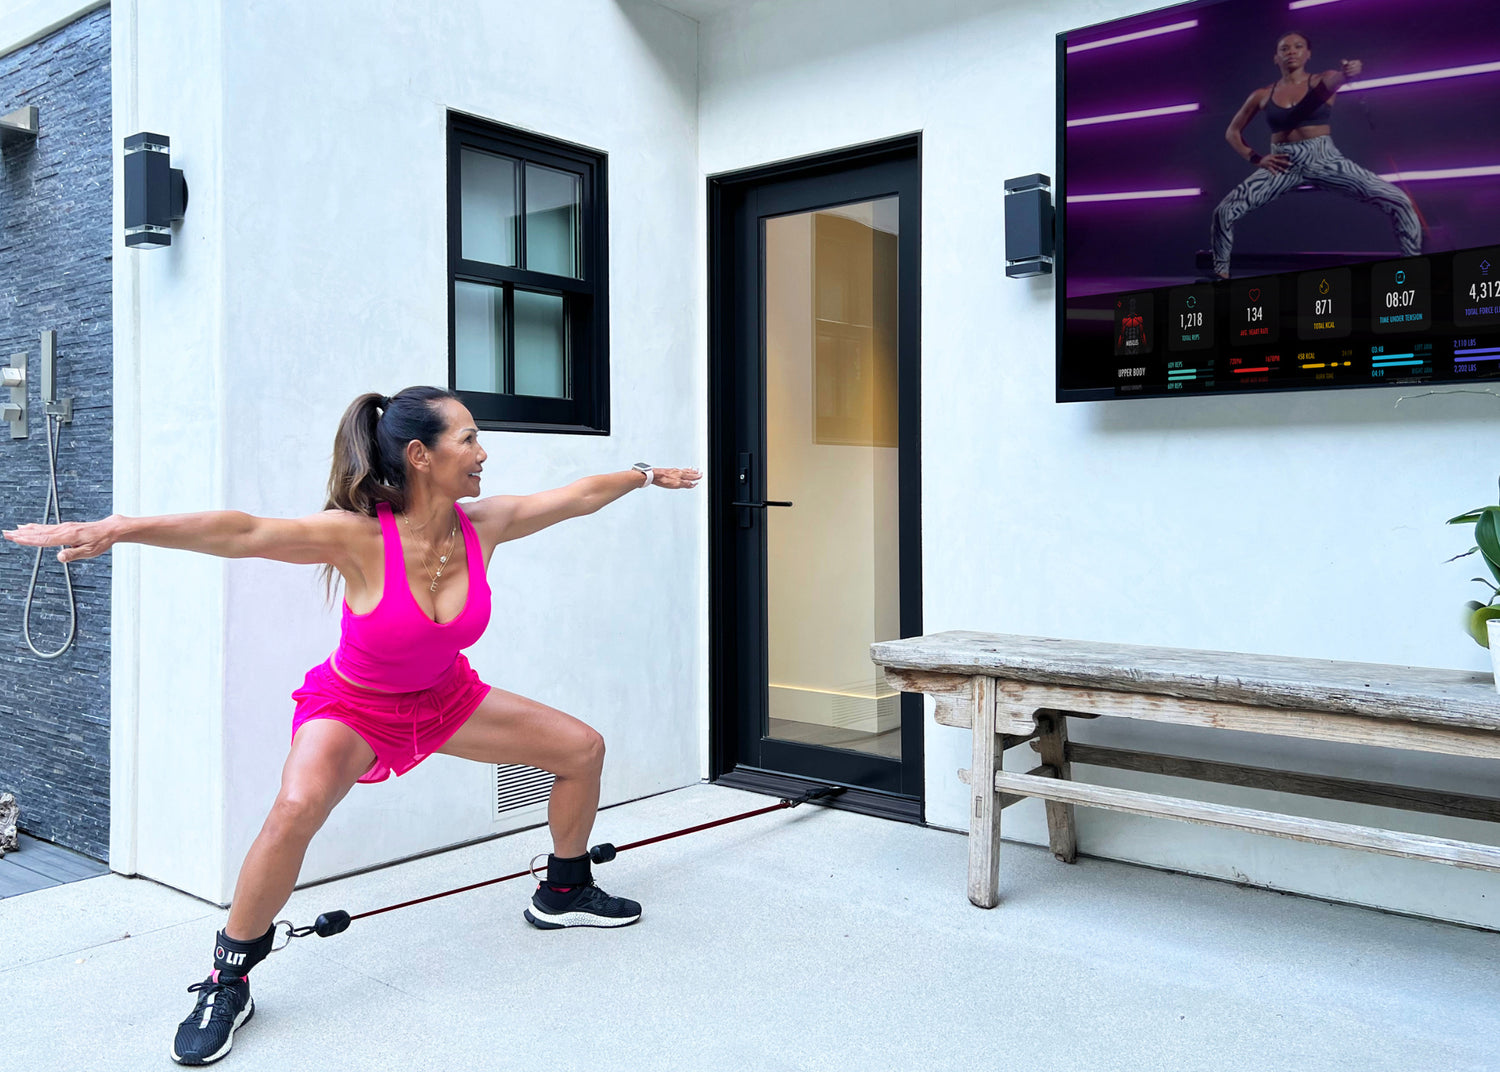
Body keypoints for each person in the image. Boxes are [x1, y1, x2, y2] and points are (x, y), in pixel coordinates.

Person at [3, 386, 701, 1066]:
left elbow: (576, 497)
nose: (483, 452)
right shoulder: (360, 539)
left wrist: (641, 476)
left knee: (581, 749)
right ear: (422, 456)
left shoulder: (486, 524)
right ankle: (227, 981)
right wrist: (122, 529)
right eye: (468, 438)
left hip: (445, 696)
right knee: (294, 810)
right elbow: (243, 531)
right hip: (355, 706)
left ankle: (564, 888)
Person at [1211, 32, 1421, 278]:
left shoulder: (1324, 79)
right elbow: (1232, 132)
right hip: (1283, 163)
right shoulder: (1262, 94)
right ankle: (1220, 275)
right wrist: (1257, 158)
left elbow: (1342, 77)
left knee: (1400, 201)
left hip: (1323, 158)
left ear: (1307, 54)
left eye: (1298, 46)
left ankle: (1413, 272)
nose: (1291, 51)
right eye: (1284, 48)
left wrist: (1350, 70)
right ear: (1275, 58)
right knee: (1224, 212)